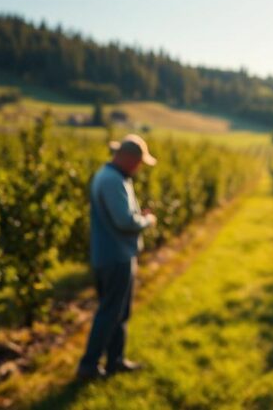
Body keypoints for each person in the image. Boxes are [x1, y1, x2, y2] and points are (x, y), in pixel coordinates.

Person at [76, 134, 158, 380]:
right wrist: (147, 220)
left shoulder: (111, 176)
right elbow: (124, 221)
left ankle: (115, 360)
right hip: (116, 256)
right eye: (139, 162)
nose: (139, 167)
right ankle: (89, 366)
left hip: (110, 254)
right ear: (130, 158)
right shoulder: (113, 180)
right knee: (110, 313)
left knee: (118, 312)